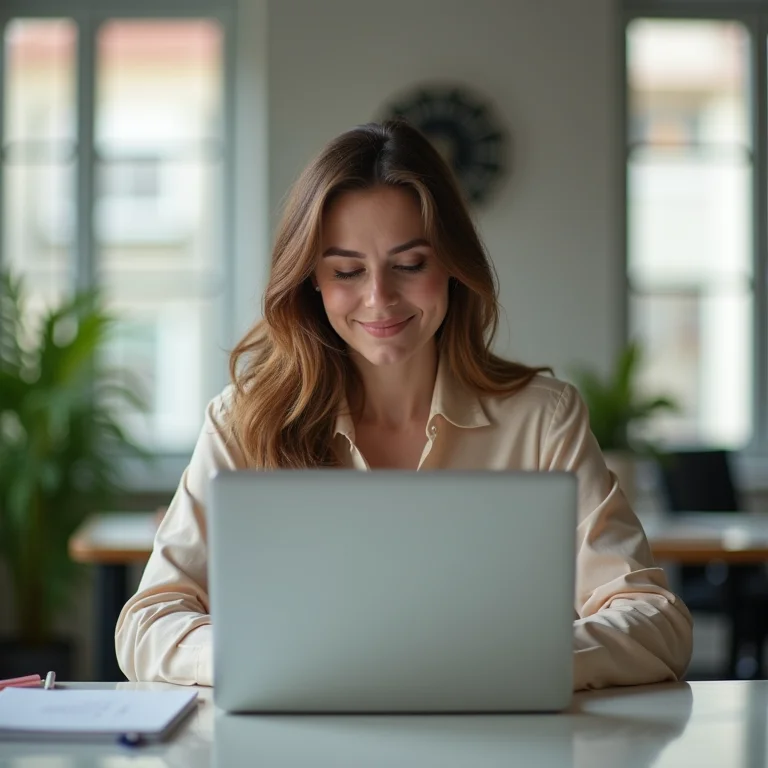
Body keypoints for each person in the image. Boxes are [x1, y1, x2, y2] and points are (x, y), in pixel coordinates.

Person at [115, 120, 692, 690]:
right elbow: (146, 626)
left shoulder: (543, 420)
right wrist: (270, 656)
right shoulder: (243, 422)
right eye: (346, 271)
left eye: (410, 265)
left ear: (452, 266)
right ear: (310, 280)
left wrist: (520, 661)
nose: (379, 298)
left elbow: (657, 623)